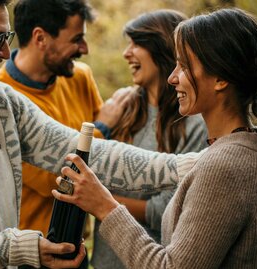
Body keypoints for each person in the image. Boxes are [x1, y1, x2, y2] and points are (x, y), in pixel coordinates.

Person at [0, 0, 202, 267]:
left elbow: (86, 155)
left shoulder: (1, 103)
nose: (4, 53)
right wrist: (19, 247)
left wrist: (193, 165)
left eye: (6, 39)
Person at [54, 8, 257, 268]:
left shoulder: (224, 166)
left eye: (185, 66)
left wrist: (104, 205)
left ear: (221, 79)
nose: (172, 77)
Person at [0, 0, 126, 239]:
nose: (84, 49)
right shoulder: (0, 97)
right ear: (40, 37)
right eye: (76, 39)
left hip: (76, 243)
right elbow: (55, 180)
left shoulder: (80, 77)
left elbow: (105, 161)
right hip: (31, 250)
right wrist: (102, 127)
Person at [91, 10, 208, 269]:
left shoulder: (194, 123)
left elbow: (165, 209)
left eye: (136, 43)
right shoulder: (123, 107)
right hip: (103, 261)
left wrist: (98, 200)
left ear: (161, 48)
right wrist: (104, 126)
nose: (126, 53)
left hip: (148, 259)